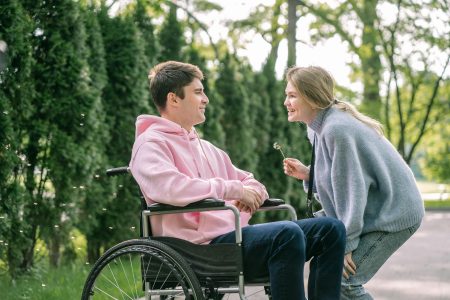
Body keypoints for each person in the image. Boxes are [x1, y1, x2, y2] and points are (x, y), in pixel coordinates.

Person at [129, 61, 346, 300]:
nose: (206, 99)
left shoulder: (206, 148)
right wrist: (233, 190)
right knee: (286, 234)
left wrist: (249, 192)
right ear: (174, 99)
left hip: (231, 238)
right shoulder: (151, 143)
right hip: (195, 248)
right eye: (198, 92)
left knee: (331, 229)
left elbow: (250, 182)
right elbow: (169, 187)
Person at [282, 65, 425, 300]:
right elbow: (339, 180)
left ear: (312, 97)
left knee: (342, 283)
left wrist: (346, 242)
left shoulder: (337, 129)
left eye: (292, 95)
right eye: (287, 94)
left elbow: (352, 191)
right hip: (376, 211)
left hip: (395, 214)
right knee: (322, 273)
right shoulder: (318, 128)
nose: (286, 101)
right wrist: (309, 175)